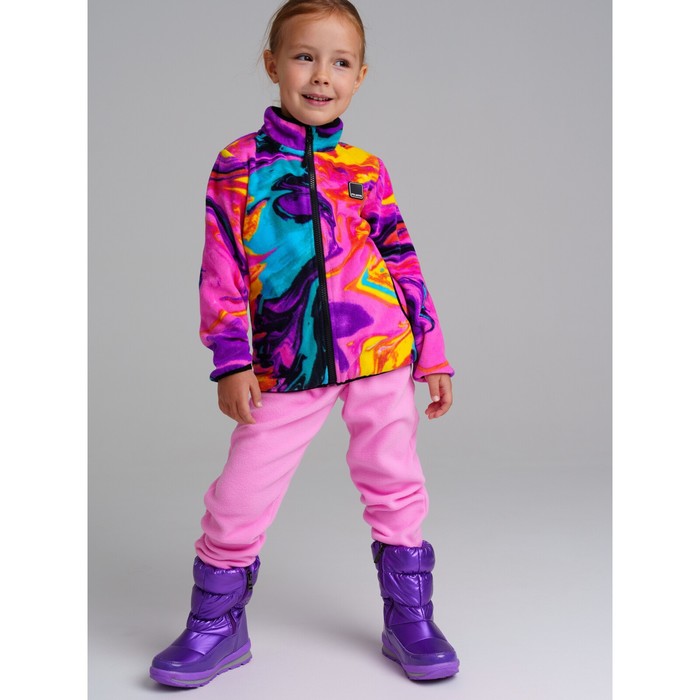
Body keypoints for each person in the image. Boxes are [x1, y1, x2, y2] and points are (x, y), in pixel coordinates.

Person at [149, 0, 459, 687]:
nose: (322, 75)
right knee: (240, 493)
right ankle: (215, 624)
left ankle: (410, 617)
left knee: (396, 482)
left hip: (380, 352)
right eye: (304, 57)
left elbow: (401, 259)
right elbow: (221, 268)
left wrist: (431, 351)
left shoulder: (365, 168)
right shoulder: (238, 164)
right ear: (273, 65)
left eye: (340, 63)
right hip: (285, 361)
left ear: (360, 76)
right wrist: (231, 360)